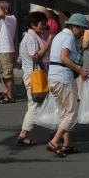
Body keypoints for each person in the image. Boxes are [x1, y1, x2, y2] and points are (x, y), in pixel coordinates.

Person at [47, 13, 89, 157]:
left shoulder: (59, 35)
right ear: (74, 26)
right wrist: (80, 70)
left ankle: (66, 145)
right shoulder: (69, 37)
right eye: (82, 29)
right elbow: (63, 57)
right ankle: (54, 141)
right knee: (71, 114)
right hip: (63, 78)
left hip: (53, 77)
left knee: (64, 113)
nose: (83, 32)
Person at [17, 11, 54, 145]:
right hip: (35, 76)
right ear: (33, 25)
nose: (44, 26)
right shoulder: (31, 38)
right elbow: (36, 57)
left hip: (35, 74)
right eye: (41, 24)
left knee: (47, 102)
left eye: (45, 24)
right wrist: (48, 43)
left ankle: (53, 131)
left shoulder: (33, 35)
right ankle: (24, 133)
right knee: (35, 105)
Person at [0, 1, 17, 103]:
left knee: (8, 75)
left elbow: (2, 14)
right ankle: (7, 94)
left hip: (6, 51)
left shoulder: (11, 18)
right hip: (1, 51)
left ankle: (10, 96)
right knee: (3, 74)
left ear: (6, 9)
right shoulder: (3, 21)